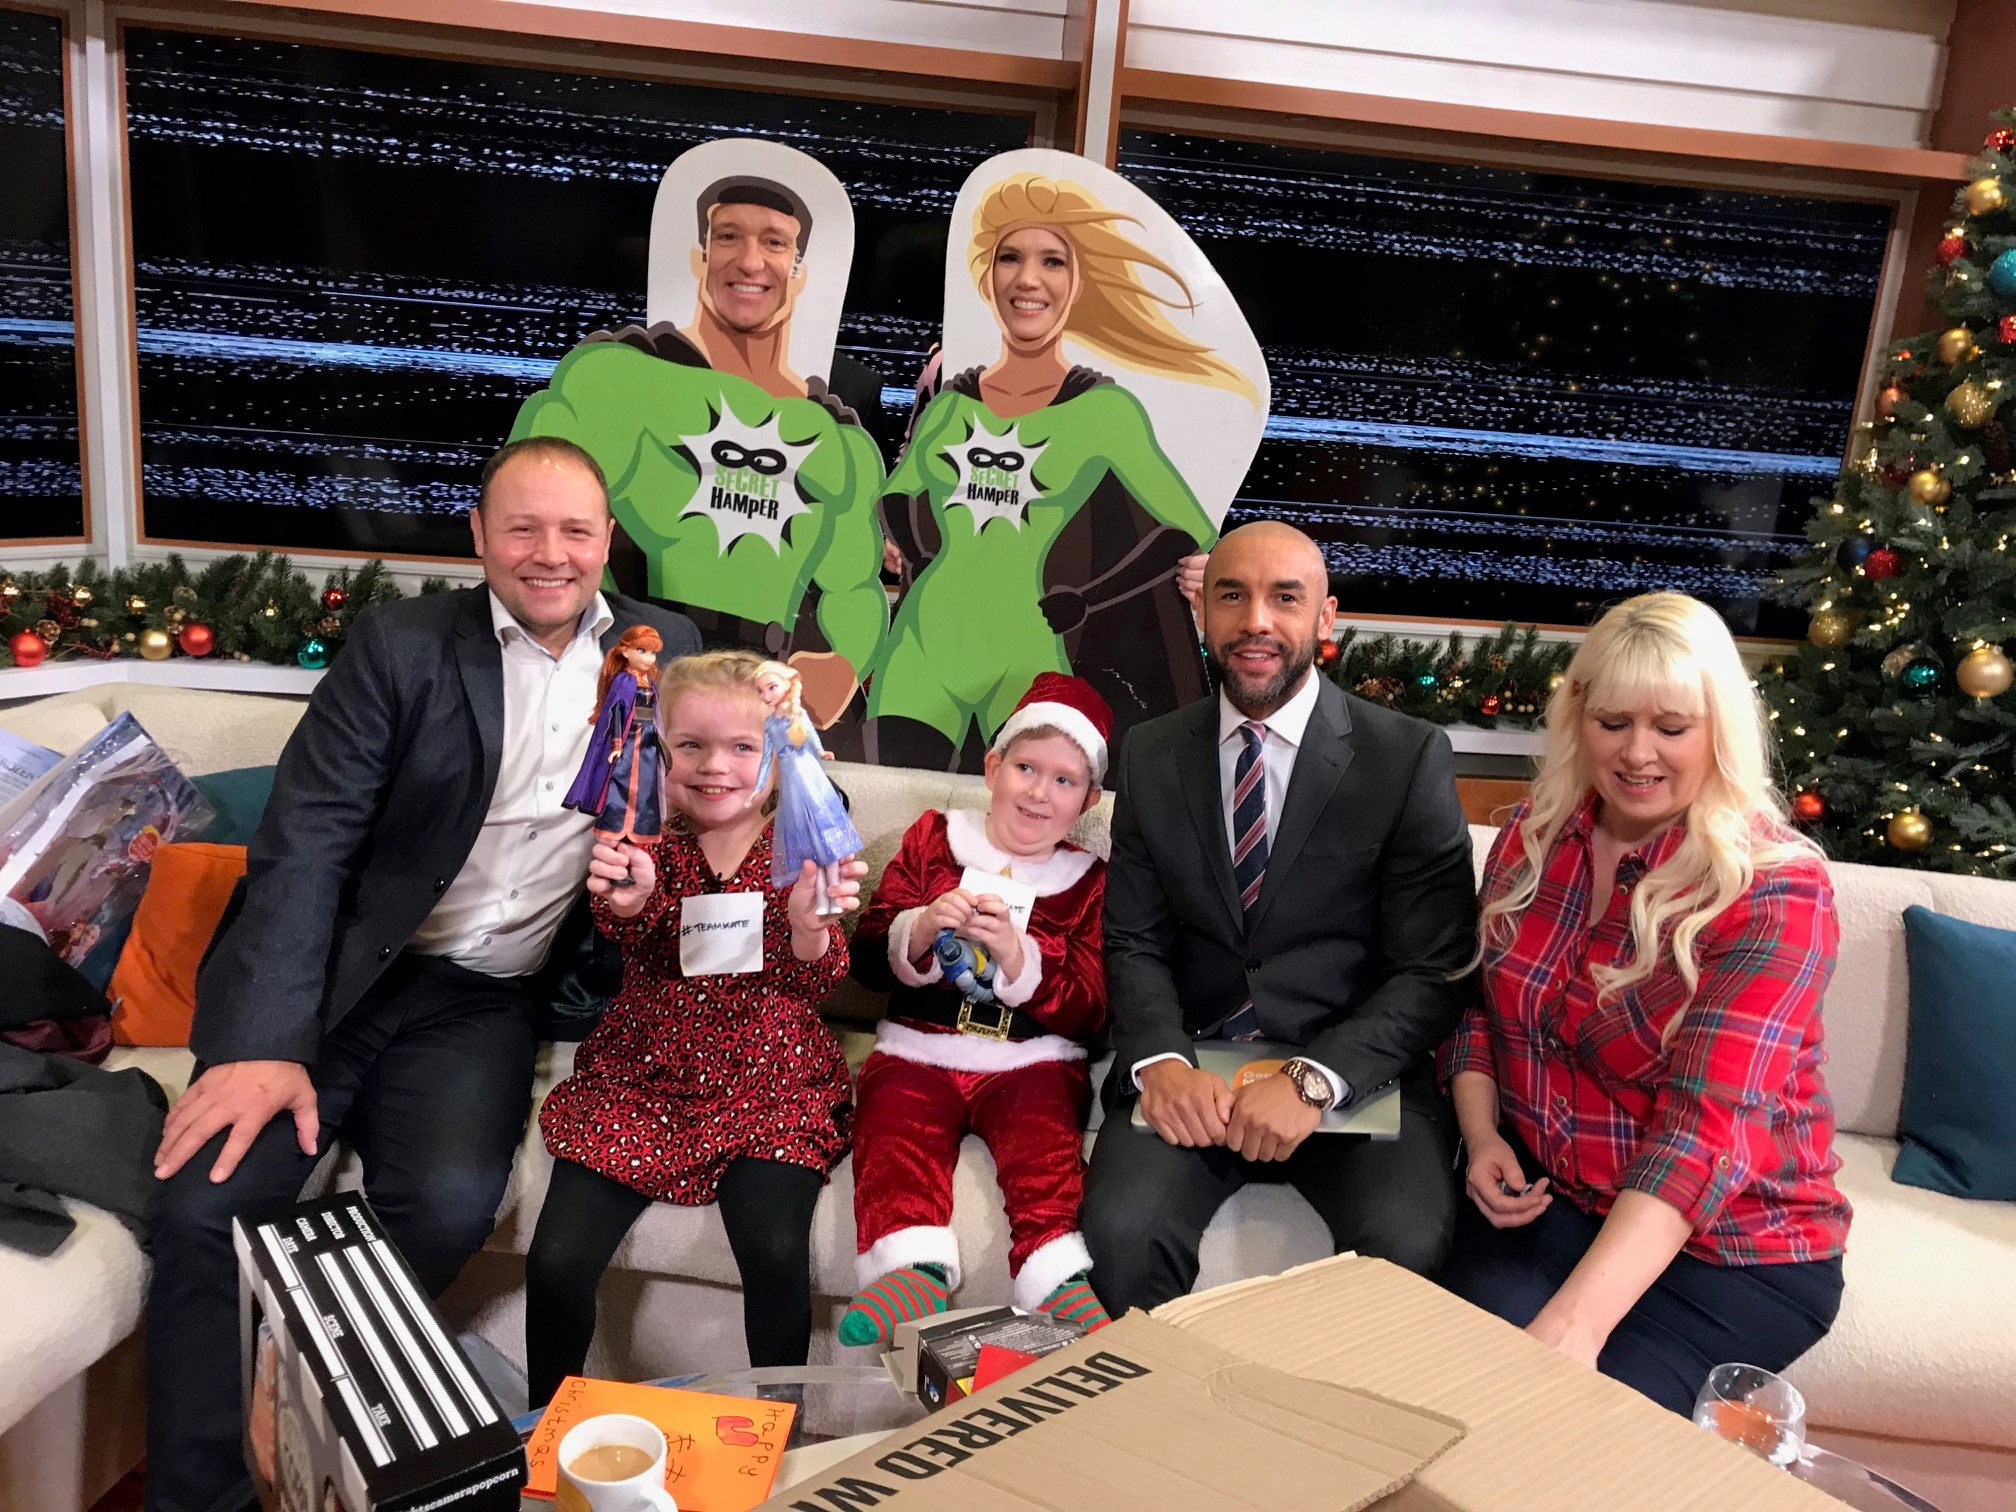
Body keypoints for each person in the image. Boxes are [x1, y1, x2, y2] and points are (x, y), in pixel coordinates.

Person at [144, 436, 699, 1512]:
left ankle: (302, 1404)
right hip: (338, 974)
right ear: (479, 537)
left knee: (446, 1207)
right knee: (205, 1206)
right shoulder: (401, 645)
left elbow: (729, 788)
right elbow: (306, 844)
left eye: (575, 531)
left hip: (487, 995)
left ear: (607, 541)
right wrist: (264, 1043)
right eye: (522, 529)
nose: (550, 554)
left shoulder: (660, 650)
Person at [1437, 592, 1850, 1415]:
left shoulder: (1776, 890)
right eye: (1614, 721)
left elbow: (1704, 1133)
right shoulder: (1532, 834)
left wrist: (1574, 1325)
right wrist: (1482, 1135)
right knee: (1449, 1398)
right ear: (1578, 716)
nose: (1637, 752)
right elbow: (1477, 1008)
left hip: (1729, 1249)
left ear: (1718, 729)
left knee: (1560, 1432)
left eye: (1672, 727)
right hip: (1552, 1203)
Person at [1080, 521, 1477, 1314]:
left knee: (1409, 1242)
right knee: (1121, 1234)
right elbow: (1134, 940)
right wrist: (1160, 1061)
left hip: (1353, 1073)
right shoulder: (1153, 753)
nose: (1256, 621)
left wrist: (1313, 1080)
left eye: (1284, 598)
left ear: (1325, 617)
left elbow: (1434, 969)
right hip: (1196, 1068)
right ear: (1203, 613)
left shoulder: (1405, 757)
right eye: (1232, 596)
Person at [525, 651, 866, 1404]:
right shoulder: (649, 843)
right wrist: (630, 903)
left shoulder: (801, 845)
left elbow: (816, 981)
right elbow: (630, 932)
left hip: (770, 1080)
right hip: (643, 1075)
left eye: (742, 747)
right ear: (662, 751)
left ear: (778, 755)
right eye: (692, 746)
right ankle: (548, 1428)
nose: (715, 767)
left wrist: (807, 929)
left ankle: (775, 1434)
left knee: (774, 1252)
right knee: (556, 1260)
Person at [866, 171, 1244, 769]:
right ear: (987, 279)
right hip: (920, 648)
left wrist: (1088, 598)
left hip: (1030, 658)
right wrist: (904, 543)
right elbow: (894, 499)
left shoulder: (1103, 412)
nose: (1028, 278)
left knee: (1025, 820)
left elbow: (1185, 532)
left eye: (1052, 261)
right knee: (889, 810)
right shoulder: (951, 404)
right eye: (1010, 257)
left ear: (1078, 284)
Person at [512, 168, 886, 731]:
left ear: (800, 271)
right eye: (729, 236)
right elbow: (531, 518)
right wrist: (598, 658)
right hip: (632, 684)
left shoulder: (835, 441)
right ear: (698, 257)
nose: (751, 261)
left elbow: (855, 586)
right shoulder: (617, 381)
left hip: (760, 707)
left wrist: (841, 666)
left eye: (774, 242)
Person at [840, 673, 1114, 1345]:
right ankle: (910, 1265)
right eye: (1026, 768)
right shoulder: (934, 839)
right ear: (993, 769)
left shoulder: (1089, 881)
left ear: (1087, 800)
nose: (1039, 792)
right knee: (890, 1121)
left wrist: (1023, 961)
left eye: (1063, 780)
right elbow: (867, 956)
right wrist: (919, 928)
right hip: (919, 1047)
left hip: (1032, 1061)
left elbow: (1094, 1006)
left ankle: (1054, 1273)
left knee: (1044, 1148)